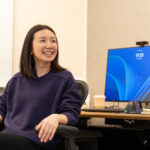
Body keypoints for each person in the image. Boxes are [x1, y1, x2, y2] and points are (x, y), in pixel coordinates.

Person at [0, 24, 81, 150]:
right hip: (9, 138)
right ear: (30, 49)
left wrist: (56, 117)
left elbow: (72, 113)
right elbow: (2, 109)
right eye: (43, 40)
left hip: (37, 141)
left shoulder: (64, 78)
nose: (49, 45)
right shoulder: (16, 80)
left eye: (53, 41)